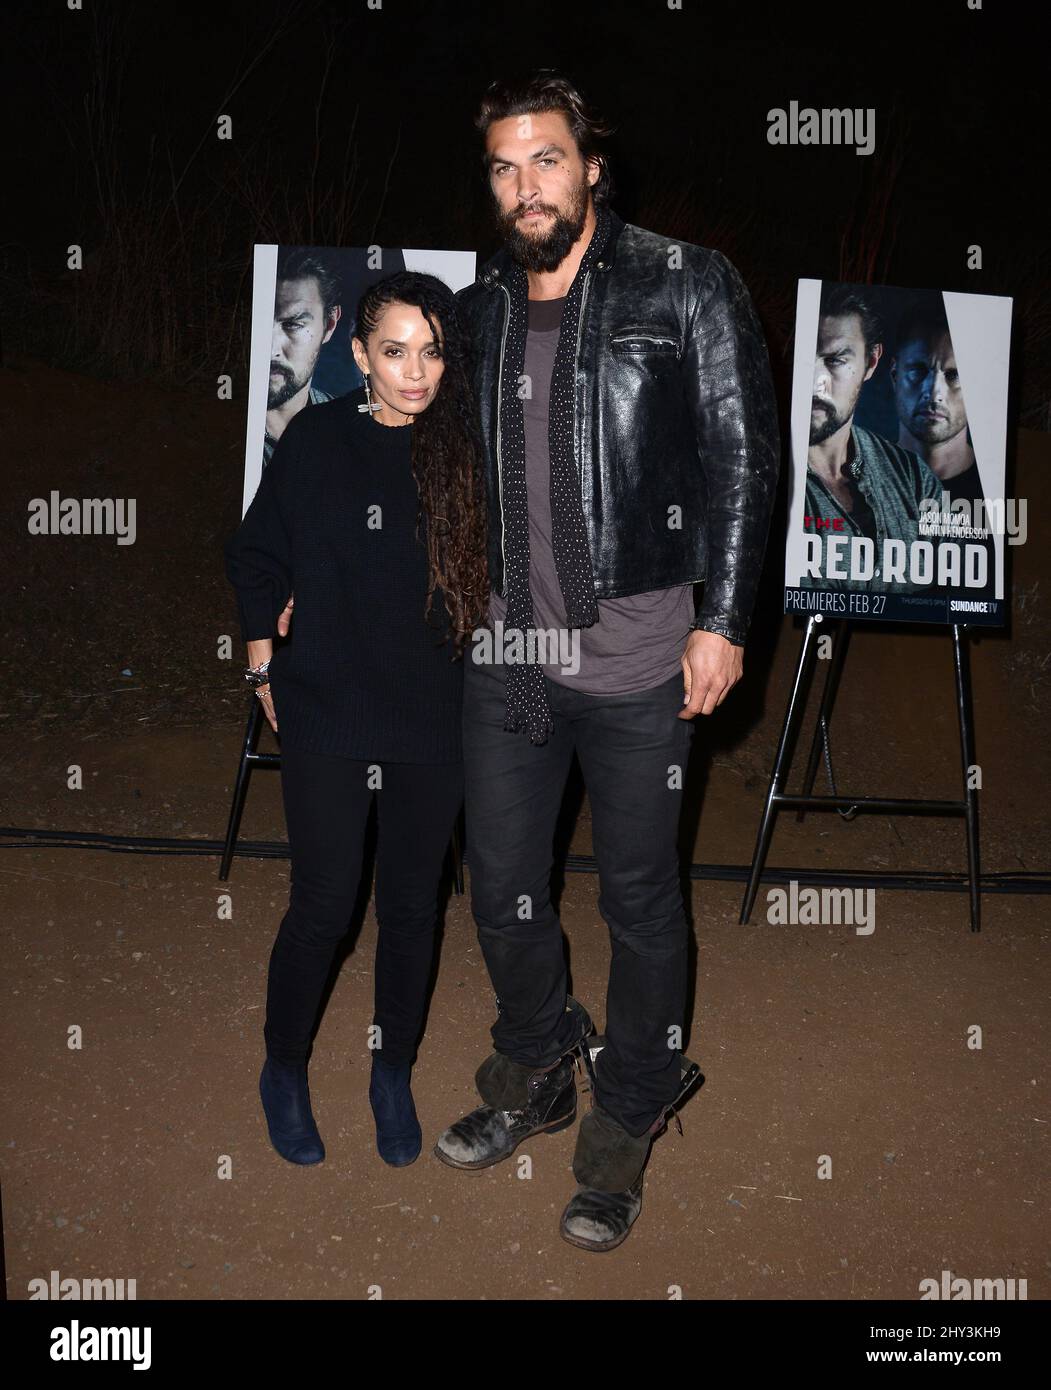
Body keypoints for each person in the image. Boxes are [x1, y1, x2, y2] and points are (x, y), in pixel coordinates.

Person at [432, 71, 780, 1251]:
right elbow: (434, 469)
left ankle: (627, 1111)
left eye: (545, 160)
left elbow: (744, 459)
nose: (524, 186)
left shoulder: (684, 282)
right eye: (502, 166)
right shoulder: (477, 307)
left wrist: (725, 619)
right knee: (500, 884)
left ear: (589, 166)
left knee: (640, 902)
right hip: (509, 650)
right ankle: (536, 1067)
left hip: (638, 656)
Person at [225, 271, 488, 1168]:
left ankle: (391, 1072)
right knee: (324, 903)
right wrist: (261, 655)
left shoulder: (469, 450)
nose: (416, 372)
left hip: (434, 717)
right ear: (357, 354)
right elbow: (257, 551)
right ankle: (283, 1068)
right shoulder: (317, 439)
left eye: (433, 351)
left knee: (412, 907)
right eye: (394, 351)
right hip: (329, 705)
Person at [803, 283, 942, 591]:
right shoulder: (762, 473)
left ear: (871, 361)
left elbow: (946, 593)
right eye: (806, 358)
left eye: (836, 359)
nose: (817, 383)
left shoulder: (912, 479)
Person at [263, 249, 341, 470]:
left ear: (330, 324)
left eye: (293, 324)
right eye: (264, 323)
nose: (272, 349)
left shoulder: (350, 432)